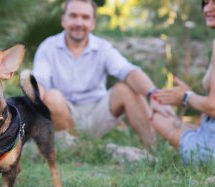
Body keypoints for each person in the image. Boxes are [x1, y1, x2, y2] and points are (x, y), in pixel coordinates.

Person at [32, 0, 172, 147]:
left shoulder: (103, 48)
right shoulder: (48, 47)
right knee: (51, 96)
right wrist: (29, 107)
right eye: (73, 16)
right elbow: (40, 82)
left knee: (126, 89)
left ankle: (153, 149)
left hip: (97, 113)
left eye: (85, 17)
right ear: (63, 20)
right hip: (63, 115)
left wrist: (154, 95)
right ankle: (76, 147)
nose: (79, 22)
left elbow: (128, 70)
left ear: (92, 23)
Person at [152, 0, 215, 164]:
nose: (208, 9)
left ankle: (155, 156)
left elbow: (213, 107)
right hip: (208, 132)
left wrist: (186, 96)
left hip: (209, 148)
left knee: (157, 117)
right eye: (205, 3)